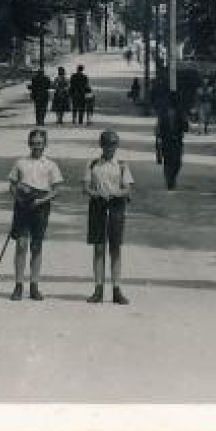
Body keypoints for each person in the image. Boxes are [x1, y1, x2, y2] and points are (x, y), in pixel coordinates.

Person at [6, 128, 63, 301]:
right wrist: (18, 197)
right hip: (23, 206)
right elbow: (12, 185)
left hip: (41, 206)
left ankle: (34, 286)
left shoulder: (51, 165)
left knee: (36, 246)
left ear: (45, 144)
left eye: (40, 143)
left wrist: (43, 200)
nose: (36, 146)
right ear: (29, 144)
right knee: (21, 244)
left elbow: (57, 189)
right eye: (33, 143)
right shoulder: (20, 163)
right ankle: (18, 285)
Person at [84, 129, 134, 304]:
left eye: (113, 145)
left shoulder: (121, 165)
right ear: (101, 145)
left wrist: (116, 193)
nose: (110, 148)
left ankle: (116, 289)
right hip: (97, 206)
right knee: (98, 248)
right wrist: (96, 193)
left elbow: (128, 188)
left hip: (116, 207)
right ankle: (98, 288)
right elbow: (86, 188)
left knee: (115, 248)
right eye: (106, 145)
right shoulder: (93, 164)